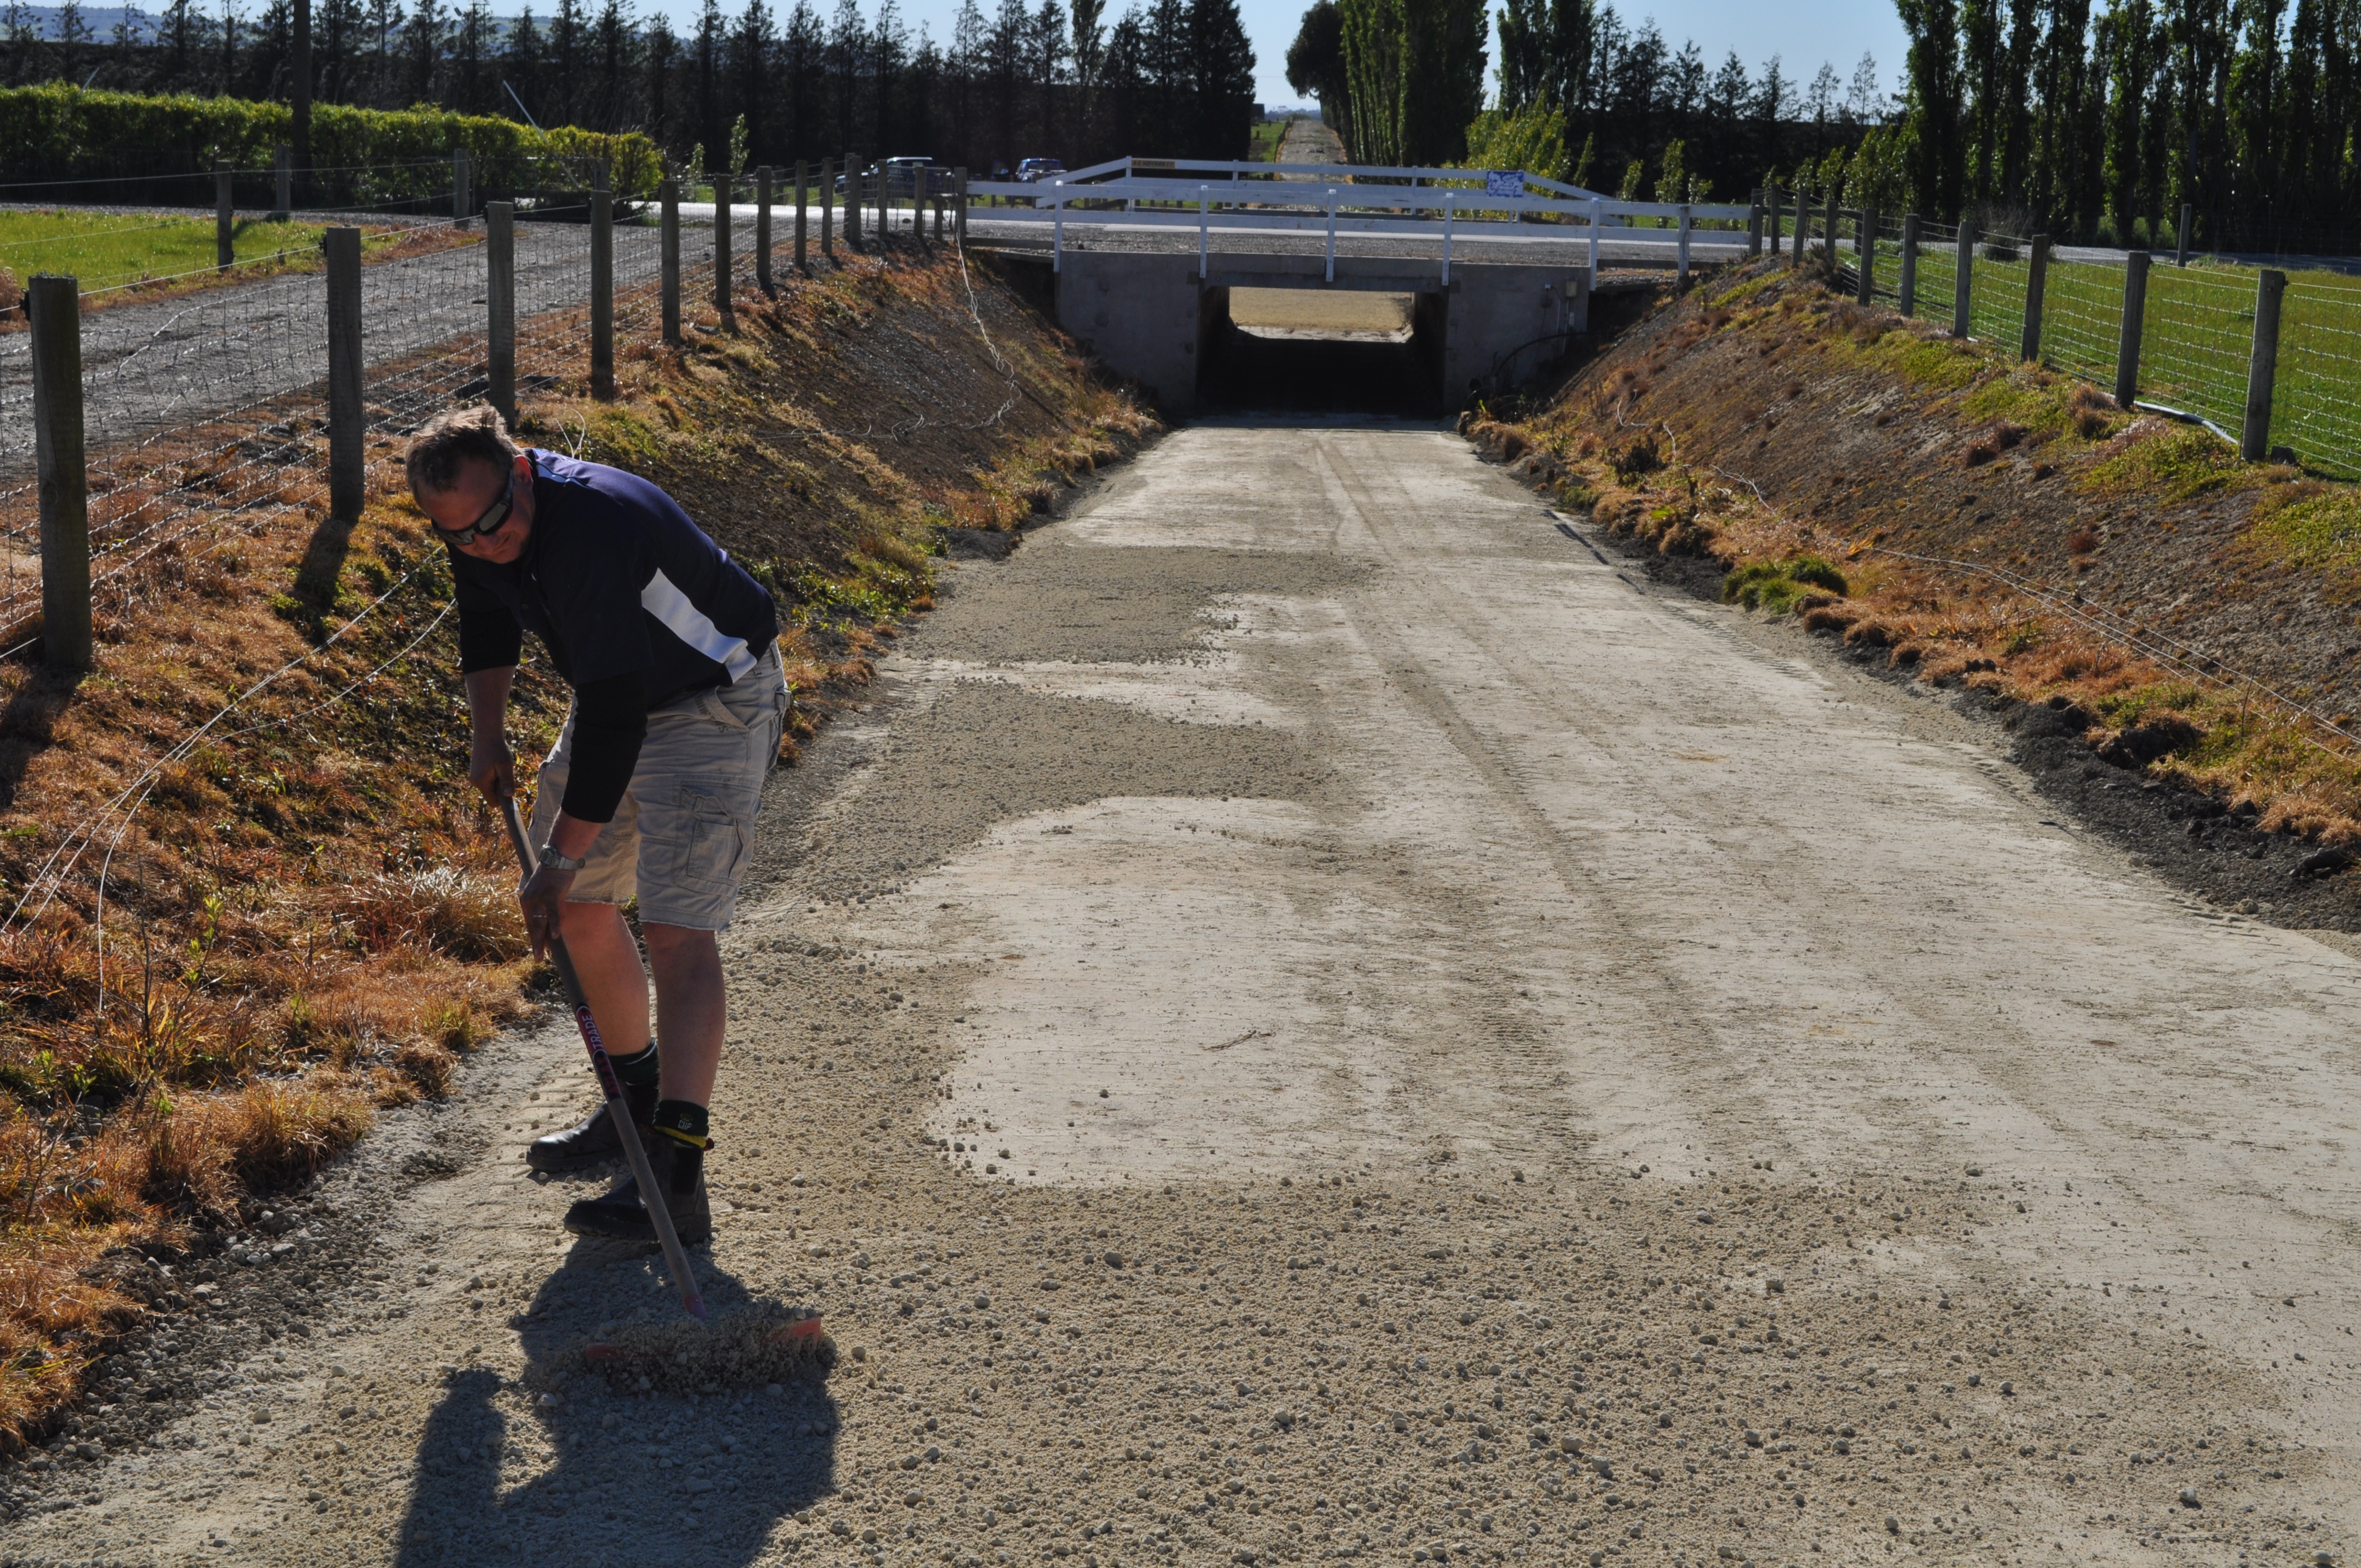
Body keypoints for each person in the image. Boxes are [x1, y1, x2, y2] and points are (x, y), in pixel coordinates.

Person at [405, 405, 786, 1246]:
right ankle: (635, 1107)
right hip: (621, 695)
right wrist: (486, 731)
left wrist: (557, 861)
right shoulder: (474, 518)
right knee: (580, 912)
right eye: (458, 536)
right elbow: (486, 614)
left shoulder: (590, 529)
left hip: (713, 702)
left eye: (494, 523)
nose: (482, 544)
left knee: (676, 928)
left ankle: (678, 1175)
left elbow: (616, 719)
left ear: (523, 471)